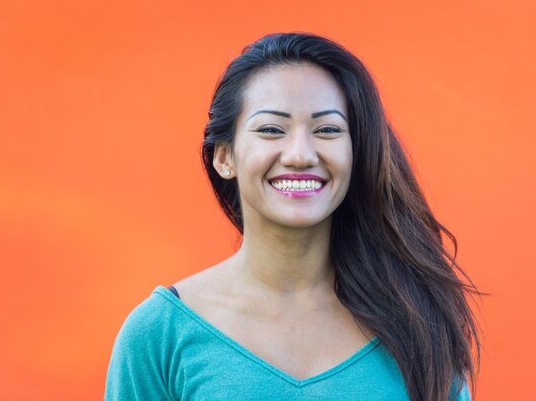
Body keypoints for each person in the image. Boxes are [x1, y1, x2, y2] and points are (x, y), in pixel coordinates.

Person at [104, 32, 481, 401]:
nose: (300, 155)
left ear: (356, 152)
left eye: (328, 130)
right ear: (224, 157)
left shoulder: (419, 323)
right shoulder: (161, 334)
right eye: (271, 129)